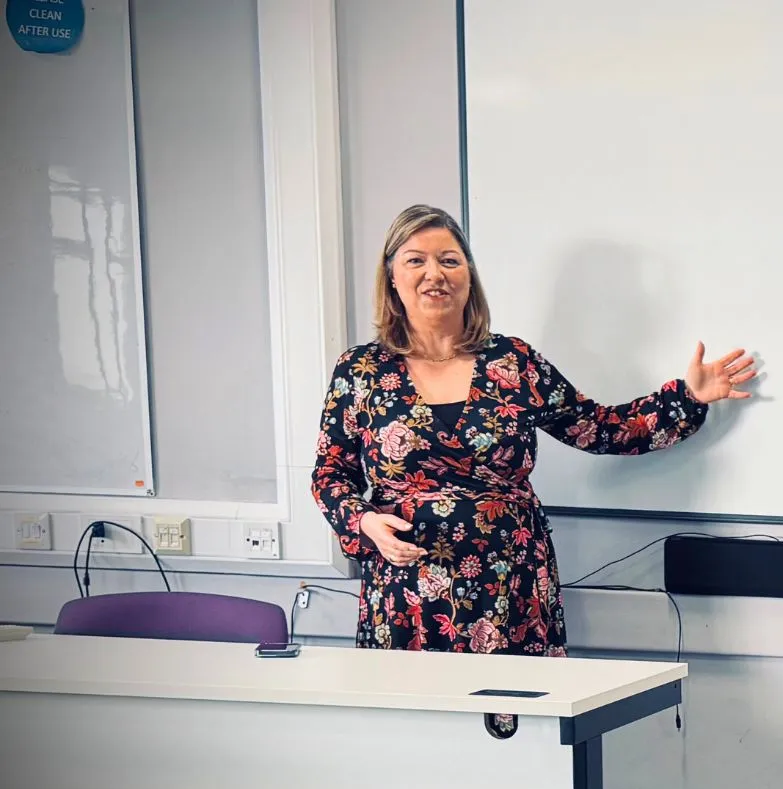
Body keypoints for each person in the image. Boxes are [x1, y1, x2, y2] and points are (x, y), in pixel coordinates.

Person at [311, 204, 755, 656]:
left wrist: (688, 397)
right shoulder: (361, 370)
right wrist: (363, 521)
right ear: (391, 276)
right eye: (415, 260)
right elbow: (329, 474)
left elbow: (601, 429)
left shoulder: (512, 362)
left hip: (510, 582)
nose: (435, 274)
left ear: (468, 275)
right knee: (418, 720)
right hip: (406, 591)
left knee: (519, 717)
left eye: (449, 260)